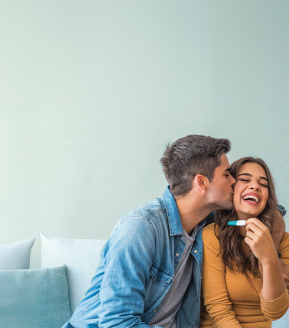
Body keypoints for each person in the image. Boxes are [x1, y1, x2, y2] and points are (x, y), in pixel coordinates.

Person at [62, 135, 286, 328]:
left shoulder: (204, 222)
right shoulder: (140, 229)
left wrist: (273, 260)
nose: (234, 181)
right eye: (227, 175)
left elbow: (272, 211)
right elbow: (117, 322)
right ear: (202, 183)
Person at [200, 157, 289, 328]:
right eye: (244, 180)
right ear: (231, 187)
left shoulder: (284, 242)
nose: (255, 186)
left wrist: (269, 256)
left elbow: (276, 311)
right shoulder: (212, 236)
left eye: (263, 184)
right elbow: (219, 313)